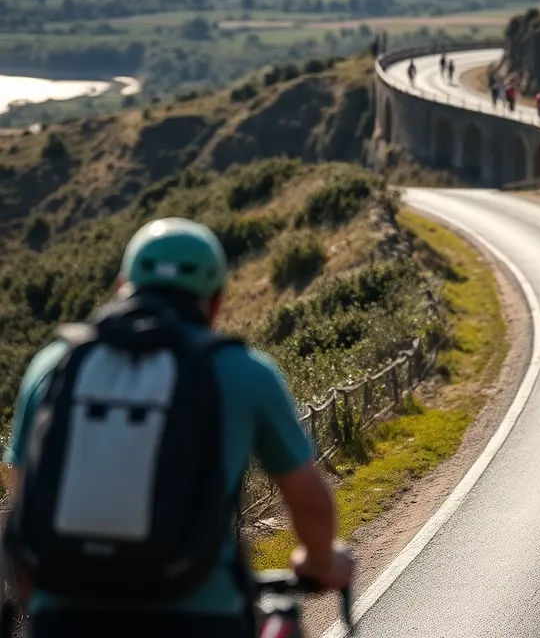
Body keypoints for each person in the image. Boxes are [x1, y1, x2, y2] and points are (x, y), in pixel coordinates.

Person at [3, 218, 353, 638]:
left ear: (121, 285)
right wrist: (321, 563)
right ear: (216, 301)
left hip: (61, 620)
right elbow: (309, 501)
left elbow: (23, 499)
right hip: (200, 619)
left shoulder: (52, 366)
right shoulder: (243, 373)